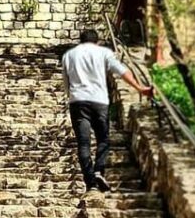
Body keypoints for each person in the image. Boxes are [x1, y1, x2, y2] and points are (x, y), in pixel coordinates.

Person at [61, 29, 154, 192]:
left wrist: (72, 97)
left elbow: (66, 82)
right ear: (96, 41)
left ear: (80, 41)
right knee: (103, 139)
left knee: (83, 143)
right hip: (99, 101)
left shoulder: (69, 55)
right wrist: (139, 88)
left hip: (78, 102)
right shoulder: (103, 52)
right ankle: (99, 170)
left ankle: (90, 182)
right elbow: (123, 71)